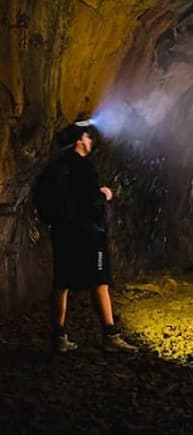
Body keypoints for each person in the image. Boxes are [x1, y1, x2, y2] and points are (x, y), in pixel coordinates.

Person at [41, 121, 137, 354]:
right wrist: (104, 195)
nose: (91, 140)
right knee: (100, 281)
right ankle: (110, 335)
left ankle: (59, 337)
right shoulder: (84, 167)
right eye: (87, 137)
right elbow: (89, 201)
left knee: (61, 283)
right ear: (79, 142)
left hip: (63, 233)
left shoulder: (56, 167)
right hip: (88, 234)